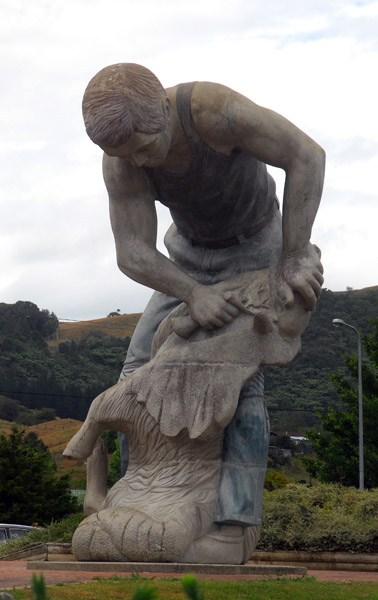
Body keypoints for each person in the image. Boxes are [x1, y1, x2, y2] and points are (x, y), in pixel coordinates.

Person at [82, 62, 325, 527]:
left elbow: (307, 156)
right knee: (135, 376)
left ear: (164, 109)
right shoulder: (120, 160)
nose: (138, 162)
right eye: (124, 154)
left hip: (258, 248)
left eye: (146, 147)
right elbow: (132, 250)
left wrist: (294, 255)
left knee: (237, 377)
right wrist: (193, 293)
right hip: (187, 261)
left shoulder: (212, 112)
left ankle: (236, 520)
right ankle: (137, 500)